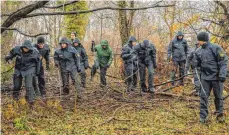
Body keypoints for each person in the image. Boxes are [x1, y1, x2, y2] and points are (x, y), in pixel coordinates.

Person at [194, 32, 228, 123]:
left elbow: (223, 61)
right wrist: (193, 64)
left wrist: (222, 74)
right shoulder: (198, 51)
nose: (198, 42)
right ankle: (203, 117)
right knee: (203, 96)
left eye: (199, 40)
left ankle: (219, 116)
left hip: (217, 78)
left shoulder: (216, 48)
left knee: (218, 97)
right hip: (205, 78)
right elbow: (197, 65)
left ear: (203, 40)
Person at [5, 40, 40, 105]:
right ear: (22, 47)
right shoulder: (17, 49)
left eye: (27, 48)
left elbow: (38, 62)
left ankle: (30, 101)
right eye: (25, 48)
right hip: (18, 68)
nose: (26, 49)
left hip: (29, 68)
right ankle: (15, 99)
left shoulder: (35, 52)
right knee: (17, 85)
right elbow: (10, 54)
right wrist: (8, 58)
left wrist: (37, 72)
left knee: (28, 86)